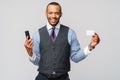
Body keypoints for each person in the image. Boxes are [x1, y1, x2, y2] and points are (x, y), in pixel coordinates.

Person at [24, 2, 100, 80]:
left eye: (56, 13)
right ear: (46, 13)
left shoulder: (70, 33)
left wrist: (90, 47)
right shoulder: (37, 35)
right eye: (50, 13)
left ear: (61, 14)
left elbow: (75, 57)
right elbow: (37, 62)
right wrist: (30, 52)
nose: (53, 16)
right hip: (42, 78)